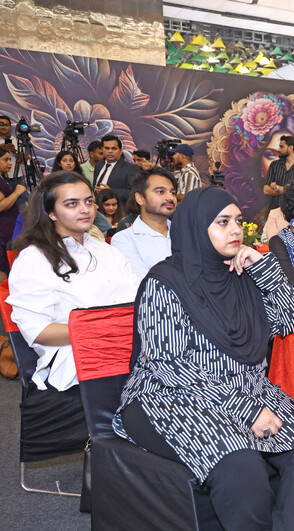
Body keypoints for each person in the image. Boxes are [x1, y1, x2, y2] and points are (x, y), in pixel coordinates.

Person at [113, 186, 294, 531]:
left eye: (238, 221)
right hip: (170, 397)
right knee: (239, 463)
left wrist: (263, 267)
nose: (235, 230)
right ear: (197, 228)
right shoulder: (164, 282)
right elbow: (168, 365)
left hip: (244, 387)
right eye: (222, 222)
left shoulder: (242, 274)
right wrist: (245, 410)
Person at [7, 170, 139, 391]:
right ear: (51, 213)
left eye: (88, 201)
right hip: (78, 369)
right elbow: (37, 330)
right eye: (71, 204)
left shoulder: (107, 250)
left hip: (129, 356)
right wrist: (104, 329)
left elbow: (138, 301)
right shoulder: (35, 258)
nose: (85, 209)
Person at [111, 168, 177, 279]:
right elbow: (145, 282)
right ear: (140, 198)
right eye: (160, 192)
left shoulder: (185, 233)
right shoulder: (125, 239)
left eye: (173, 193)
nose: (170, 197)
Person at [262, 135, 294, 214]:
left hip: (293, 213)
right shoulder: (274, 165)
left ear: (290, 148)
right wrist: (288, 191)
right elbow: (266, 190)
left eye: (281, 147)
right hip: (274, 212)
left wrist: (276, 187)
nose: (278, 149)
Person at [0, 148, 27, 274]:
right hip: (2, 231)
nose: (10, 163)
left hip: (7, 229)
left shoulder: (2, 178)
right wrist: (17, 192)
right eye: (5, 160)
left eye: (10, 159)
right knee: (3, 267)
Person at [93, 134, 140, 202]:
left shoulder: (131, 169)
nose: (110, 151)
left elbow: (134, 193)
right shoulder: (98, 165)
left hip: (119, 207)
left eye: (114, 148)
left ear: (120, 151)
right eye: (107, 148)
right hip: (98, 206)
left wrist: (111, 191)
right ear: (102, 149)